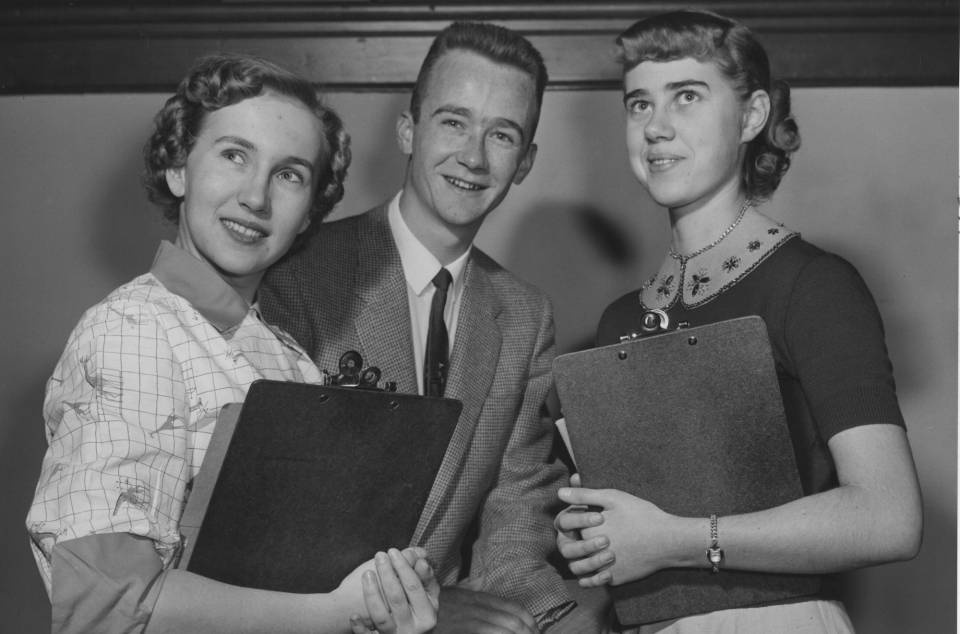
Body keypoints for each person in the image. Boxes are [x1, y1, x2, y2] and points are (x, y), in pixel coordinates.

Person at [26, 53, 438, 634]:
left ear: (309, 211)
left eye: (290, 173)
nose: (256, 197)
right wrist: (332, 613)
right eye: (234, 155)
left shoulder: (287, 357)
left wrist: (381, 595)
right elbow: (107, 607)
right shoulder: (132, 330)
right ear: (177, 169)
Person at [554, 10, 923, 633]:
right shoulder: (621, 318)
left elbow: (890, 516)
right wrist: (590, 537)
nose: (656, 128)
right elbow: (630, 530)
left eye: (687, 97)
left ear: (752, 116)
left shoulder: (813, 286)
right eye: (638, 104)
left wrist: (677, 540)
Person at [261, 20, 606, 634]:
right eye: (453, 121)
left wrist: (542, 618)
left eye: (501, 135)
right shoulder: (299, 274)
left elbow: (515, 521)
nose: (473, 157)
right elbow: (277, 512)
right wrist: (425, 609)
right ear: (407, 129)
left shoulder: (524, 316)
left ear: (524, 162)